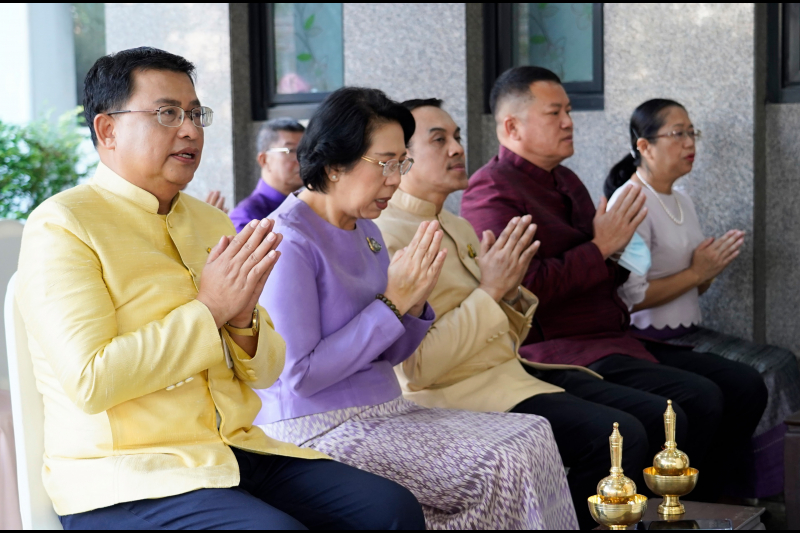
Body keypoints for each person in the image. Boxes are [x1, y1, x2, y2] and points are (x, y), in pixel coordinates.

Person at [15, 47, 424, 530]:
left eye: (195, 114)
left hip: (236, 449)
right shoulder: (63, 225)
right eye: (167, 113)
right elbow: (91, 381)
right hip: (130, 477)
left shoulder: (210, 222)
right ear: (108, 129)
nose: (190, 129)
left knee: (391, 510)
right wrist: (209, 310)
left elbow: (269, 370)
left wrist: (241, 319)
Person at [255, 87, 578, 530]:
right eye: (385, 163)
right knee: (502, 460)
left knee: (533, 433)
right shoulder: (287, 241)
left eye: (401, 163)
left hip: (385, 409)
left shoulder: (365, 228)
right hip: (316, 427)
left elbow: (394, 354)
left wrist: (415, 300)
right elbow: (300, 376)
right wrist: (393, 303)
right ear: (333, 164)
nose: (395, 177)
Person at [461, 66, 767, 501]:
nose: (570, 121)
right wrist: (602, 247)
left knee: (744, 384)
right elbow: (522, 291)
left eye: (568, 109)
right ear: (512, 126)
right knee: (689, 403)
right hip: (555, 350)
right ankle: (657, 509)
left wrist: (620, 252)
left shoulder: (566, 180)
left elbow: (608, 267)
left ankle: (719, 506)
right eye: (555, 113)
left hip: (611, 336)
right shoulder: (491, 192)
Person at [373, 97, 648, 529]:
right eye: (439, 139)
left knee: (654, 417)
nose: (457, 149)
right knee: (620, 439)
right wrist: (493, 289)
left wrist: (508, 290)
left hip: (511, 372)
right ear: (399, 158)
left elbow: (503, 330)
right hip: (459, 394)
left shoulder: (457, 225)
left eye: (458, 137)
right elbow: (419, 369)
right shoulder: (386, 236)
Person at [605, 98, 797, 497]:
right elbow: (629, 298)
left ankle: (756, 490)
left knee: (780, 364)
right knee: (761, 374)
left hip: (688, 329)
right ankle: (736, 492)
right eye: (678, 134)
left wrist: (707, 270)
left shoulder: (682, 198)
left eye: (693, 133)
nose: (690, 142)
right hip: (651, 339)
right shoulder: (630, 203)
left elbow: (695, 283)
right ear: (644, 146)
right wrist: (697, 272)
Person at [229, 118, 305, 231]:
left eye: (306, 150)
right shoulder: (246, 217)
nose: (302, 159)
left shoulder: (307, 206)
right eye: (291, 151)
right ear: (264, 160)